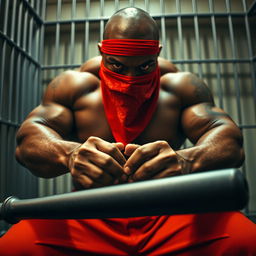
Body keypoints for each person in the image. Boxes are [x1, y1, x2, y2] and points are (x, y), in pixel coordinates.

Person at [0, 7, 255, 256]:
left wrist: (187, 160)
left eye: (144, 67)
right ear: (102, 52)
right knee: (12, 247)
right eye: (117, 66)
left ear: (157, 53)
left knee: (247, 239)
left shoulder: (179, 86)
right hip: (88, 212)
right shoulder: (75, 85)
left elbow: (229, 140)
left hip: (170, 211)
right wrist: (70, 155)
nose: (130, 78)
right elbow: (28, 141)